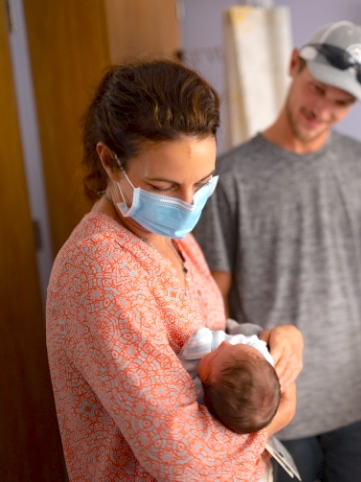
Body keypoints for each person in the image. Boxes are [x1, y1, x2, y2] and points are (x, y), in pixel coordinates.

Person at [192, 20, 361, 482]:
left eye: (342, 102)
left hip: (355, 407)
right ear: (294, 63)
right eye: (318, 89)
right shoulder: (232, 176)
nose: (324, 109)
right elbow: (212, 292)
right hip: (270, 407)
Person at [46, 59, 303, 481]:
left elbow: (200, 333)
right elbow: (182, 459)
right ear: (110, 161)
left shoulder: (172, 235)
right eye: (164, 187)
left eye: (202, 183)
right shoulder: (101, 272)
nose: (187, 203)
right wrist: (277, 415)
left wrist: (272, 338)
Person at [178, 324, 282, 434]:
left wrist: (200, 343)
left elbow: (180, 373)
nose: (224, 343)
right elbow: (255, 343)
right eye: (231, 346)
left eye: (214, 355)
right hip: (245, 337)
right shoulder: (263, 362)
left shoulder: (196, 392)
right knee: (246, 330)